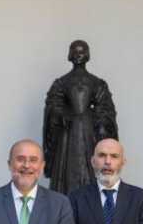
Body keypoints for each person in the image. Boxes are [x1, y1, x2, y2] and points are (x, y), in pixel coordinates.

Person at [42, 40, 118, 194]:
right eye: (75, 52)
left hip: (90, 133)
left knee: (91, 168)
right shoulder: (61, 83)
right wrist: (61, 114)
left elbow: (105, 109)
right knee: (66, 177)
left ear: (88, 55)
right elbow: (53, 105)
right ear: (70, 55)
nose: (78, 55)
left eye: (82, 52)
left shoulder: (97, 83)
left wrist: (99, 123)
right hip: (67, 135)